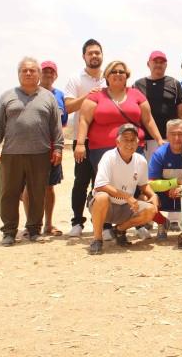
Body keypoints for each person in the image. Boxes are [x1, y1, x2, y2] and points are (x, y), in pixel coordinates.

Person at [74, 60, 164, 240]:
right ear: (106, 76)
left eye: (122, 71)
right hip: (101, 148)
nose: (118, 74)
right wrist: (80, 143)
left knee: (135, 185)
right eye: (113, 71)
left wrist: (159, 139)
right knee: (102, 187)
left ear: (127, 75)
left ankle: (134, 225)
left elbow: (148, 120)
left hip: (133, 147)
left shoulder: (136, 95)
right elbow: (84, 119)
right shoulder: (96, 96)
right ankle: (105, 227)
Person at [0, 56, 64, 246]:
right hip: (11, 153)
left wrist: (58, 147)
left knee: (37, 192)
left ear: (39, 75)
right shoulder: (7, 96)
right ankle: (8, 231)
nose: (29, 73)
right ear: (19, 74)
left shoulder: (48, 97)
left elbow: (56, 125)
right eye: (25, 70)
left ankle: (34, 229)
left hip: (40, 153)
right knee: (9, 193)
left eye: (32, 70)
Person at [87, 124, 158, 255]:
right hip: (105, 206)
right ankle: (97, 239)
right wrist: (126, 196)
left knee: (150, 210)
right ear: (117, 142)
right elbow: (100, 185)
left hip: (126, 207)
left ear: (137, 143)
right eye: (125, 139)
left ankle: (119, 230)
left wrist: (153, 195)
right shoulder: (109, 157)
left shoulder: (140, 160)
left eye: (132, 140)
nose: (129, 143)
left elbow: (143, 184)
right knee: (102, 197)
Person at [21, 61, 68, 237]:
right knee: (28, 187)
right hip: (31, 147)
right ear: (39, 74)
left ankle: (48, 224)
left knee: (49, 187)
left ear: (56, 76)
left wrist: (58, 147)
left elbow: (62, 123)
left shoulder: (60, 96)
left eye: (52, 72)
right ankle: (30, 225)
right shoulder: (31, 93)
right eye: (45, 71)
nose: (48, 75)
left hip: (52, 148)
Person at [64, 39, 106, 236]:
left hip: (105, 140)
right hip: (82, 140)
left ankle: (105, 224)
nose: (94, 56)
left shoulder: (110, 77)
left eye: (97, 52)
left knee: (103, 182)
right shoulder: (75, 79)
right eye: (90, 53)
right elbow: (69, 107)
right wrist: (88, 96)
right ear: (84, 57)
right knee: (81, 181)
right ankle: (77, 222)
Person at [133, 51, 182, 163]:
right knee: (148, 175)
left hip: (171, 138)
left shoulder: (174, 83)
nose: (158, 64)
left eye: (162, 62)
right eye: (155, 62)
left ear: (166, 65)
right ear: (148, 64)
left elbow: (181, 112)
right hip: (146, 139)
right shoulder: (137, 85)